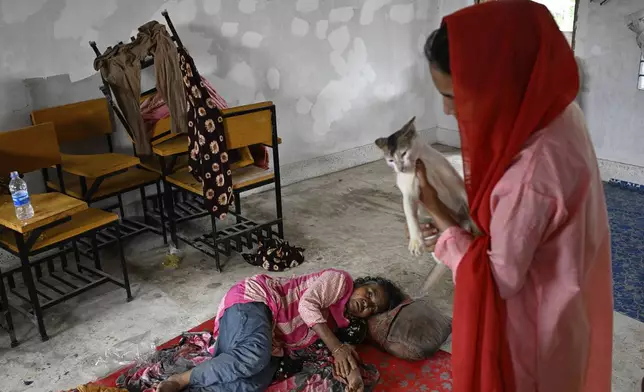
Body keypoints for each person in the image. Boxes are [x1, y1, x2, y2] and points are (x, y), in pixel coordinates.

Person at [415, 2, 613, 392]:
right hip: (567, 304)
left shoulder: (529, 173)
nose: (447, 109)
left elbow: (496, 279)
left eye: (455, 95)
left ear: (495, 86)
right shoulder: (558, 114)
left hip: (532, 334)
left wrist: (438, 212)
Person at [156, 269, 405, 392]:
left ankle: (192, 387)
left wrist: (354, 377)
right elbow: (308, 306)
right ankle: (180, 380)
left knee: (254, 382)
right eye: (369, 293)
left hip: (271, 339)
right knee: (254, 355)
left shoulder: (342, 327)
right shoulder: (339, 281)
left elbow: (341, 353)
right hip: (257, 303)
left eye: (372, 307)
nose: (367, 303)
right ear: (361, 284)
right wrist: (337, 347)